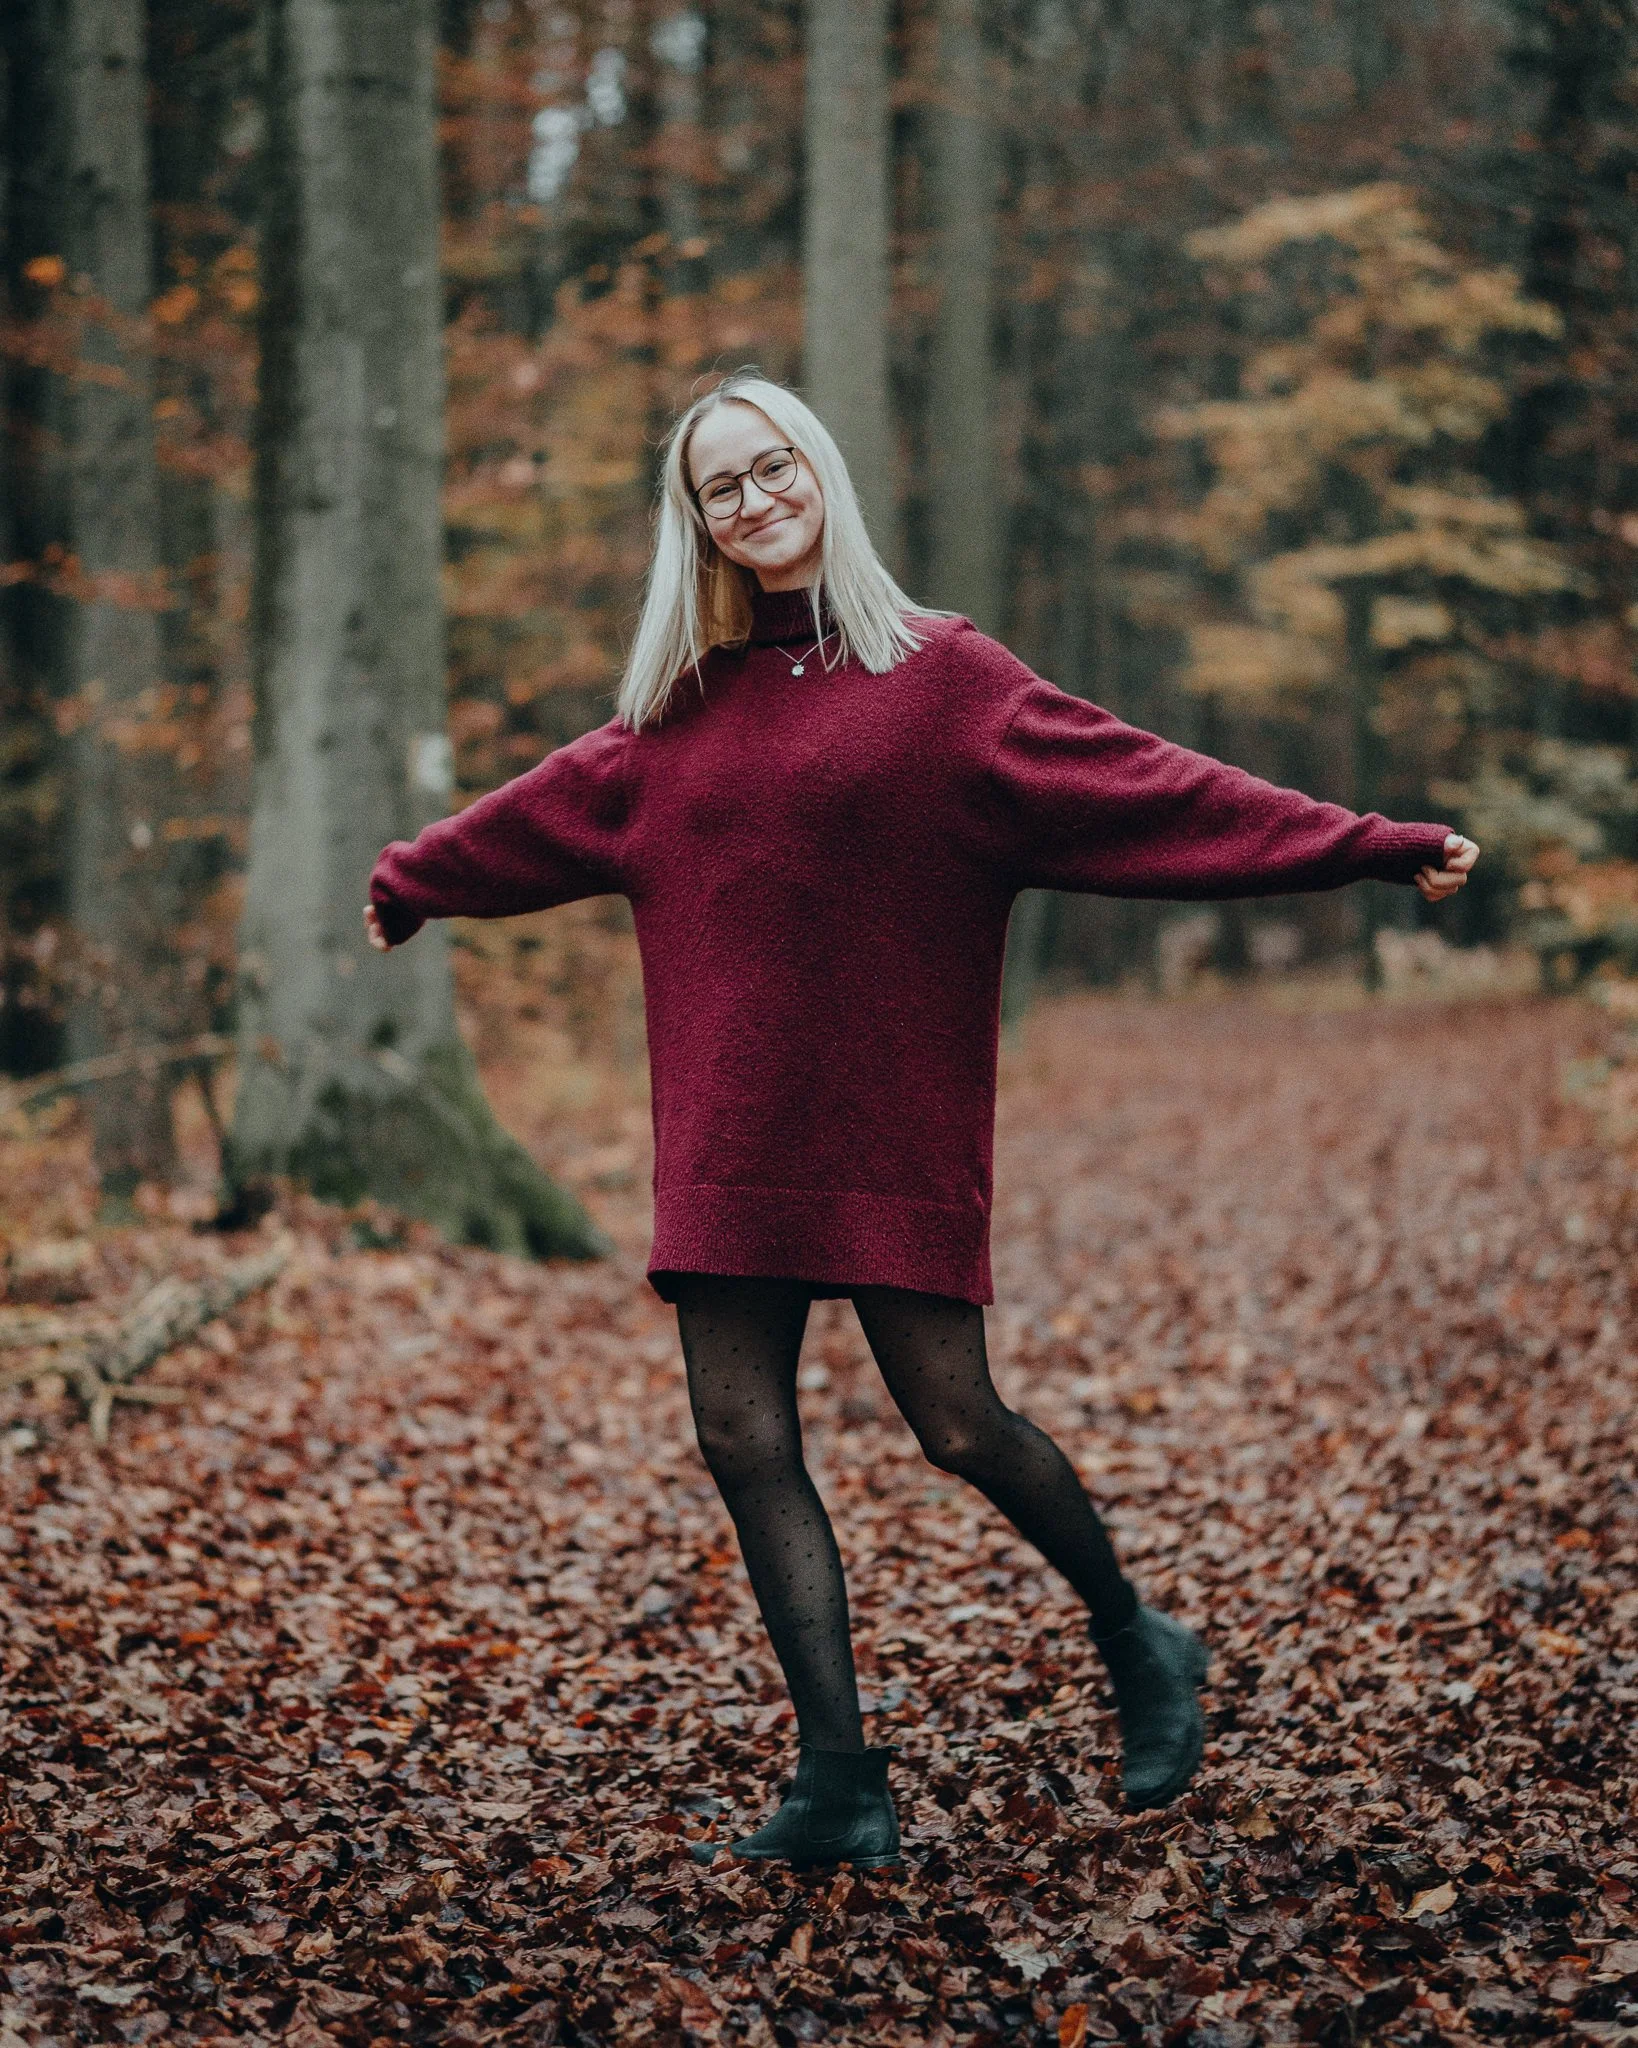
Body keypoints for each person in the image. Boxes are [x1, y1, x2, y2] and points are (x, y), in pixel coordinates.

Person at [366, 369, 1479, 1872]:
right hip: (728, 1129)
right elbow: (531, 815)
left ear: (820, 471)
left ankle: (1134, 1633)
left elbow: (1160, 791)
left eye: (773, 467)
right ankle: (840, 1778)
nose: (755, 500)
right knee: (738, 1431)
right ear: (696, 524)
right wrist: (411, 883)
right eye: (721, 487)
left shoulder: (945, 679)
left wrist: (1371, 845)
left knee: (953, 1420)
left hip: (892, 1121)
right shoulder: (670, 715)